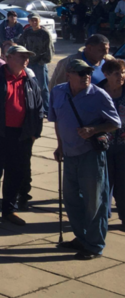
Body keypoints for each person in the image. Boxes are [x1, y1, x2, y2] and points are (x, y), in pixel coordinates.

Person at [50, 59, 121, 259]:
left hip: (91, 154)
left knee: (94, 202)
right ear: (68, 75)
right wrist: (60, 145)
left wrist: (94, 129)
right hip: (69, 154)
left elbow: (115, 123)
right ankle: (81, 237)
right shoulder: (58, 91)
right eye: (81, 73)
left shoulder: (99, 95)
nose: (86, 76)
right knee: (71, 199)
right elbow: (57, 119)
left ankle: (95, 245)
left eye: (88, 73)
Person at [0, 45, 43, 226]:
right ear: (9, 57)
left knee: (15, 173)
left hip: (21, 136)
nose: (25, 60)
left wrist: (35, 133)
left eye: (27, 57)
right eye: (21, 56)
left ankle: (9, 210)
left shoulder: (30, 80)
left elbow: (39, 108)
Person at [99, 59, 125, 226]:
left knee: (123, 184)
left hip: (123, 147)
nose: (121, 76)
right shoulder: (97, 92)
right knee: (104, 184)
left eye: (123, 73)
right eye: (117, 73)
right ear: (106, 74)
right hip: (103, 147)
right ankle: (102, 216)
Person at [20, 14, 54, 117]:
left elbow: (50, 50)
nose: (34, 22)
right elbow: (21, 44)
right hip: (29, 63)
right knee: (29, 86)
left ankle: (47, 109)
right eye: (32, 20)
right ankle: (33, 107)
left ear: (39, 21)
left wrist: (43, 61)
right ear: (29, 21)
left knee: (43, 87)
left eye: (36, 20)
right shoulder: (27, 32)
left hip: (40, 63)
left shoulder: (44, 33)